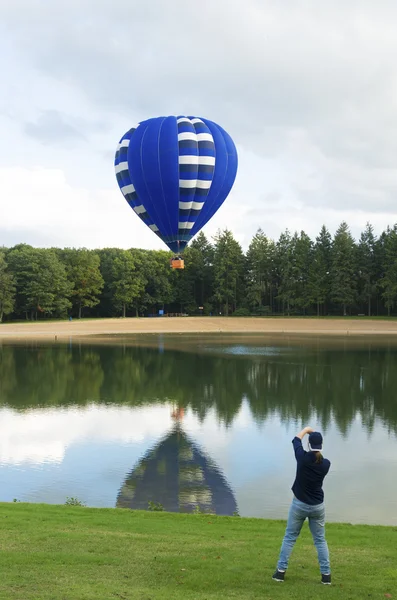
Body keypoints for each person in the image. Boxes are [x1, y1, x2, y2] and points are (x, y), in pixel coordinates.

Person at [272, 426, 331, 585]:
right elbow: (318, 457)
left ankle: (280, 573)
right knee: (320, 540)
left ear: (309, 445)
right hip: (318, 506)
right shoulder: (326, 464)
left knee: (290, 538)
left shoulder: (302, 458)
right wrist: (315, 438)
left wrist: (306, 430)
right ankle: (326, 576)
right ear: (322, 446)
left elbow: (296, 440)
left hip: (299, 505)